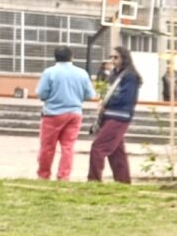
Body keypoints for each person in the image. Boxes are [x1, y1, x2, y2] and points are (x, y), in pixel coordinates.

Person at [34, 44, 92, 181]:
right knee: (68, 146)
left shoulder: (49, 72)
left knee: (47, 147)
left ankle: (44, 174)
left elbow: (41, 93)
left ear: (55, 57)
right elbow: (89, 94)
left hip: (53, 113)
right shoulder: (82, 73)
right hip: (74, 113)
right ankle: (64, 175)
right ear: (72, 57)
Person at [85, 46, 141, 185]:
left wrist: (107, 103)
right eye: (111, 57)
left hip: (119, 116)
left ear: (124, 58)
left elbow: (127, 98)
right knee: (117, 152)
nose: (113, 60)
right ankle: (123, 182)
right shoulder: (114, 74)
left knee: (98, 147)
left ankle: (94, 179)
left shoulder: (130, 76)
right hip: (108, 115)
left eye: (116, 57)